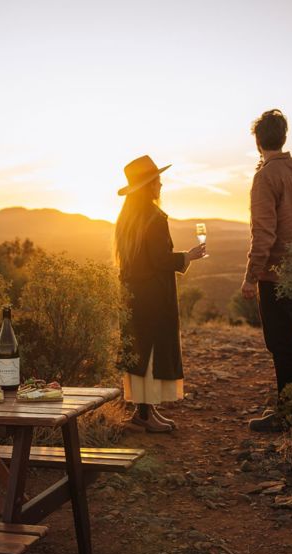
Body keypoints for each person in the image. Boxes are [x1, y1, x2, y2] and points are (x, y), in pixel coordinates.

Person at [114, 155, 206, 433]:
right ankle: (144, 415)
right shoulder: (154, 217)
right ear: (148, 185)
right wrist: (188, 256)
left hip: (132, 294)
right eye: (157, 180)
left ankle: (144, 412)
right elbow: (159, 259)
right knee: (152, 353)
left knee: (139, 352)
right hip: (153, 295)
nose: (161, 184)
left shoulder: (127, 218)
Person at [241, 109, 292, 432]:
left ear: (258, 142)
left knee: (280, 342)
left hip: (275, 274)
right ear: (283, 137)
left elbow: (264, 234)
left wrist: (251, 276)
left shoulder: (265, 177)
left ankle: (288, 415)